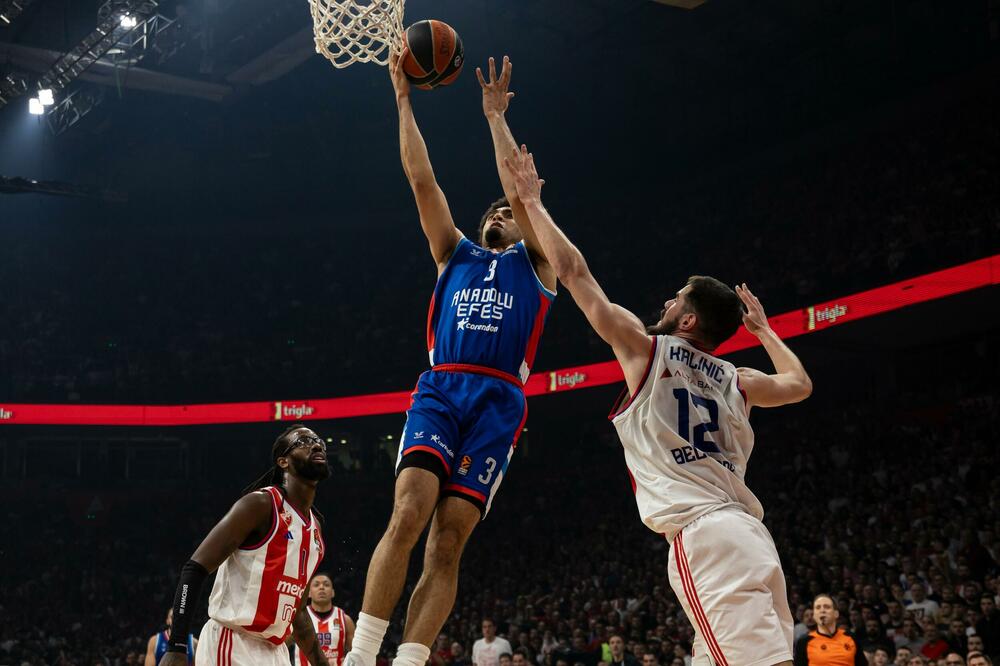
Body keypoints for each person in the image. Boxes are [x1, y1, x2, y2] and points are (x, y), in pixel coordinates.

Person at [503, 145, 812, 665]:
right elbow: (799, 384)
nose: (667, 304)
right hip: (750, 535)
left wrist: (533, 203)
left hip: (705, 533)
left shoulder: (646, 351)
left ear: (688, 322)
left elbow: (575, 273)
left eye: (677, 300)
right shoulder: (740, 380)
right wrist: (764, 330)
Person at [342, 55, 556, 666]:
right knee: (408, 510)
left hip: (498, 403)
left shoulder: (538, 268)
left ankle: (409, 660)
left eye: (508, 212)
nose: (498, 212)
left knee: (448, 541)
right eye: (491, 210)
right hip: (442, 388)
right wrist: (403, 99)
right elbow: (421, 180)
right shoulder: (453, 253)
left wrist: (494, 119)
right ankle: (360, 656)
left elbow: (521, 190)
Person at [160, 425, 330, 666]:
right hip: (233, 642)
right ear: (283, 462)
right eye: (303, 441)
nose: (316, 444)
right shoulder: (260, 505)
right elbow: (194, 569)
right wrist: (177, 646)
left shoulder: (315, 530)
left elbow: (298, 611)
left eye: (318, 440)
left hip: (276, 650)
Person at [290, 572, 355, 666]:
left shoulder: (345, 619)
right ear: (308, 593)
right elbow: (279, 645)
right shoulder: (298, 618)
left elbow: (356, 654)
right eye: (316, 585)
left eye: (326, 584)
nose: (321, 587)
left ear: (333, 592)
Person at [793, 594, 866, 665]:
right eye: (818, 608)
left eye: (827, 607)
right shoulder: (804, 641)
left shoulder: (851, 637)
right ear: (814, 615)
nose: (822, 610)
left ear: (836, 613)